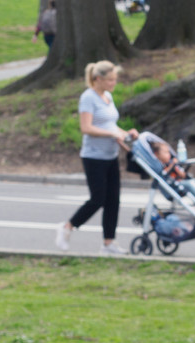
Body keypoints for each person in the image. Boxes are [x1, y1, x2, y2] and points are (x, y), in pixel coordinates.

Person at [55, 61, 140, 256]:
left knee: (113, 200)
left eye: (115, 79)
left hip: (110, 156)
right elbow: (87, 128)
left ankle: (108, 243)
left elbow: (111, 125)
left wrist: (126, 134)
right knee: (98, 198)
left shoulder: (107, 97)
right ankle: (68, 226)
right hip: (94, 157)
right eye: (110, 80)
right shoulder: (88, 98)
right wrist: (112, 135)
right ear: (98, 79)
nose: (113, 83)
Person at [148, 138, 195, 205]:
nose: (169, 155)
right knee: (190, 184)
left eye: (168, 152)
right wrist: (172, 165)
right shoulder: (160, 165)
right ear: (157, 154)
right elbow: (164, 174)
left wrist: (176, 167)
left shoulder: (171, 162)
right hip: (173, 186)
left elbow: (182, 175)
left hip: (179, 182)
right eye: (165, 152)